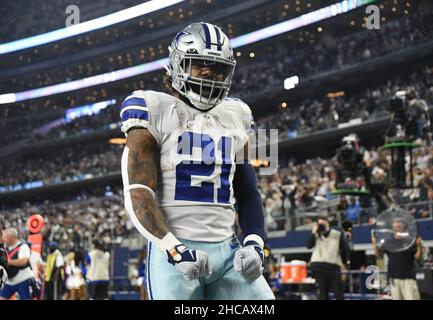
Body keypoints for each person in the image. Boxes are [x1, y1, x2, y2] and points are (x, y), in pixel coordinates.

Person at [120, 22, 274, 300]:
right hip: (175, 251)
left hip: (228, 253)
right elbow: (139, 193)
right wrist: (174, 248)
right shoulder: (151, 108)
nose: (208, 72)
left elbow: (249, 193)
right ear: (178, 64)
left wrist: (254, 242)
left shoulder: (236, 114)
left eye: (217, 67)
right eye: (199, 63)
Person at [371, 218, 423, 300]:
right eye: (395, 227)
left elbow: (417, 257)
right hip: (394, 279)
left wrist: (419, 246)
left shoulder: (409, 241)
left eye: (399, 227)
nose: (396, 228)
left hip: (408, 279)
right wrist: (374, 242)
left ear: (404, 228)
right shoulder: (389, 242)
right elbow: (378, 254)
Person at [306, 216, 349, 300]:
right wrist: (313, 232)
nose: (321, 225)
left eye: (323, 223)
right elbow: (308, 245)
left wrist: (344, 263)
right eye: (319, 224)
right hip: (319, 266)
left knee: (339, 293)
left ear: (327, 223)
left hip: (334, 266)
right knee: (323, 294)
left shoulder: (337, 233)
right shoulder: (316, 234)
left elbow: (344, 249)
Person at [0, 228, 35, 300]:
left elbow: (23, 262)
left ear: (11, 237)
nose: (3, 239)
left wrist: (8, 261)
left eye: (5, 237)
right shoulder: (7, 248)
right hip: (10, 281)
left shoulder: (23, 247)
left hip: (23, 279)